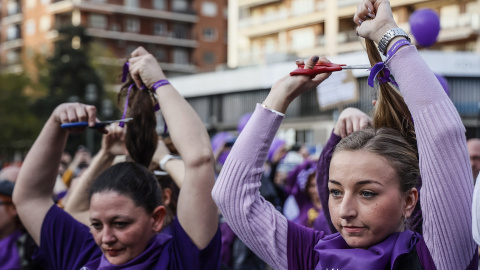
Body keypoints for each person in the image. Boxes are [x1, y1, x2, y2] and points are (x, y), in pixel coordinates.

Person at [212, 0, 476, 269]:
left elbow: (443, 135)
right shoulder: (313, 253)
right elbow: (232, 196)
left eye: (367, 193)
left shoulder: (434, 257)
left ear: (409, 200)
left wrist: (388, 34)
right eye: (335, 192)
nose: (345, 211)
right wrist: (280, 93)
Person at [12, 46, 221, 269]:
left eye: (120, 224)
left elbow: (199, 160)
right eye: (96, 224)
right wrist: (56, 122)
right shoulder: (84, 252)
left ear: (157, 218)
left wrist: (159, 83)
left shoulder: (177, 260)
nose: (106, 239)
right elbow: (29, 198)